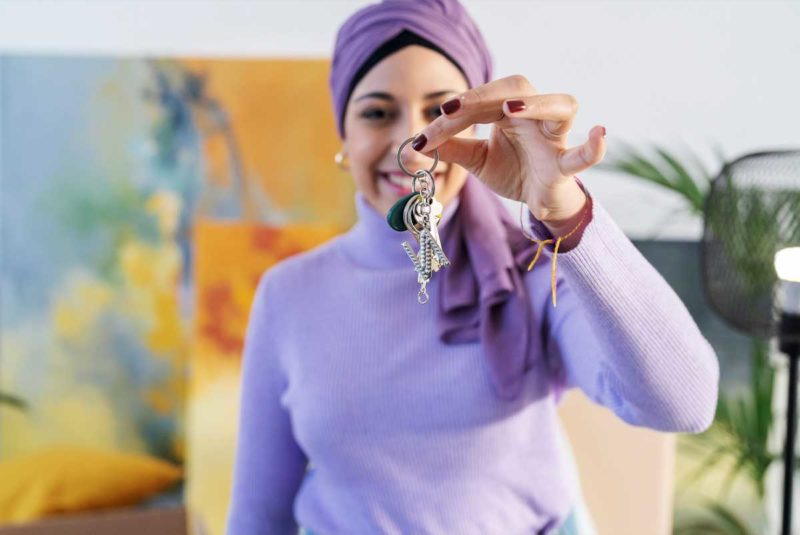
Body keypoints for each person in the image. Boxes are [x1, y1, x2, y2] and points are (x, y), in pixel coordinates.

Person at [225, 1, 720, 534]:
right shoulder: (290, 294)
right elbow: (259, 515)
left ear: (481, 124)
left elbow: (684, 404)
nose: (411, 145)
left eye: (442, 113)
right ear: (343, 134)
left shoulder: (535, 271)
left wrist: (565, 210)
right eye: (376, 112)